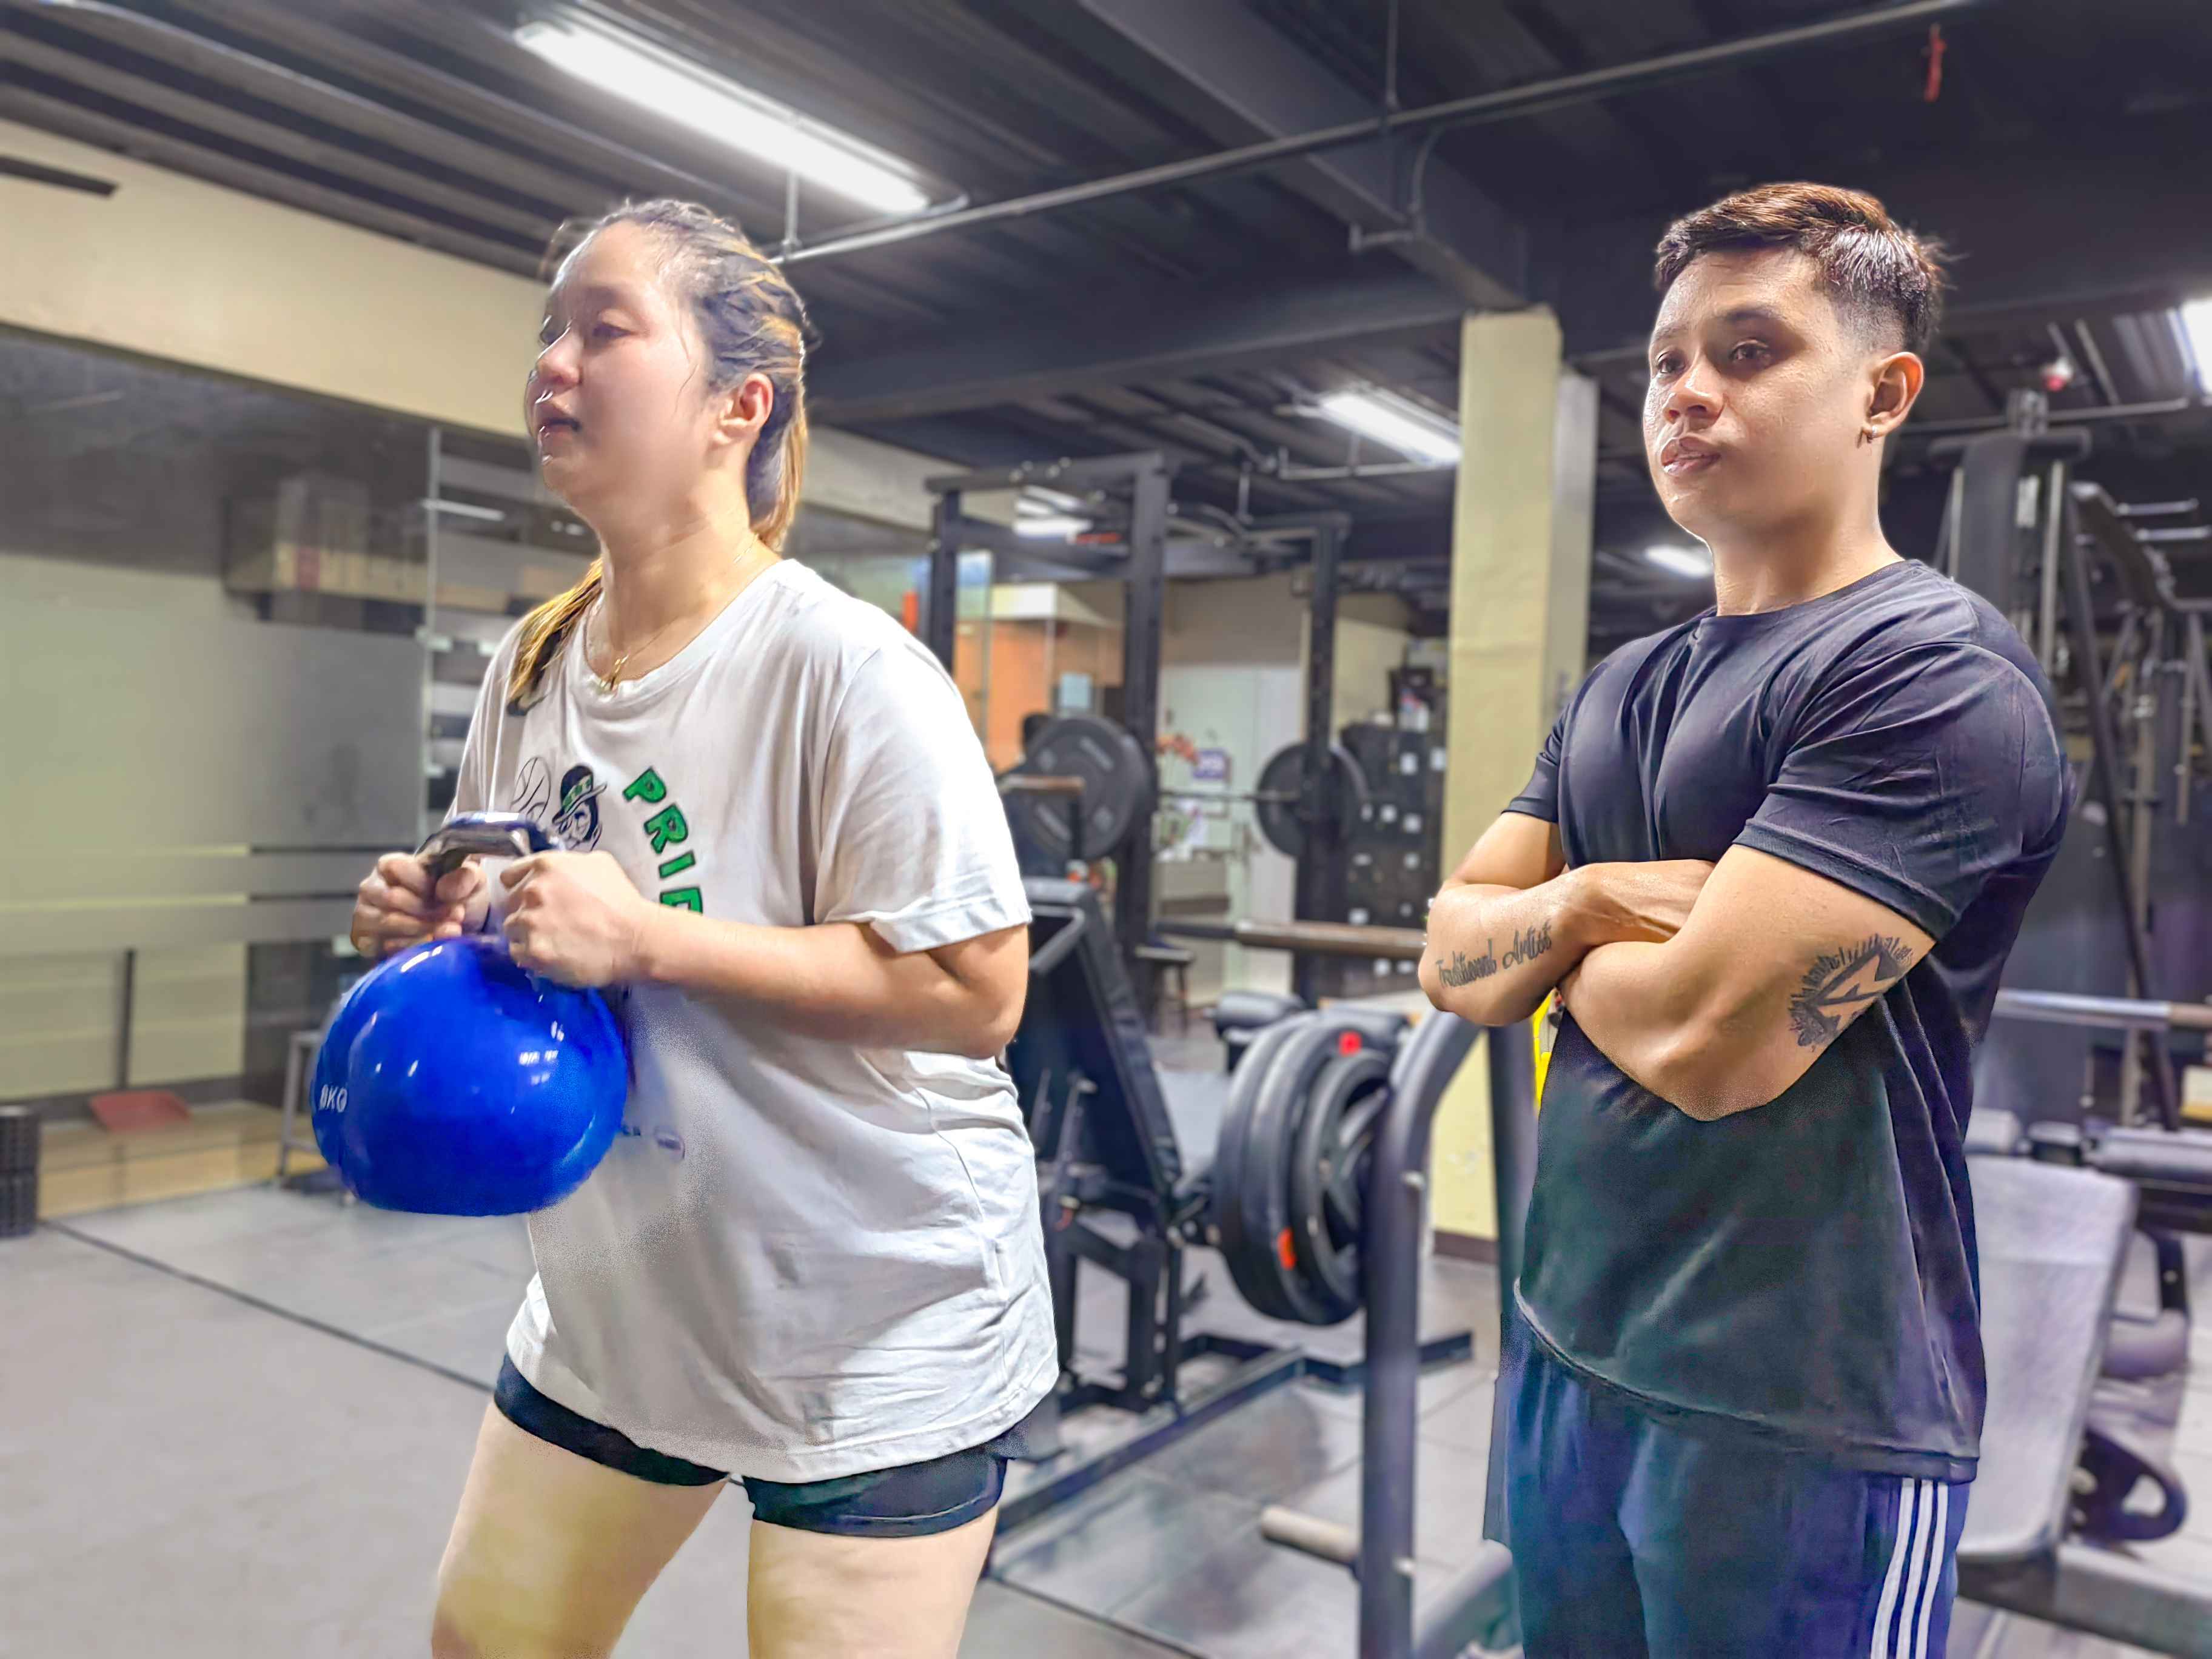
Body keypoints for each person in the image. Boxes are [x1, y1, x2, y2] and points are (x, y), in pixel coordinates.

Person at [347, 199, 1057, 1659]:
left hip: (868, 1327)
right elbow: (524, 894)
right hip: (624, 1303)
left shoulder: (846, 666)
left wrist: (652, 939)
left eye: (602, 328)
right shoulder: (534, 659)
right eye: (548, 332)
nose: (553, 363)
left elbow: (980, 993)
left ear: (741, 406)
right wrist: (439, 918)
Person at [1420, 183, 2071, 1658]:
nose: (1687, 392)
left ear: (1882, 392)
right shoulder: (1622, 687)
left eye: (1750, 350)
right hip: (1570, 1347)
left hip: (1802, 1419)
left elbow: (1715, 1043)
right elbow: (1449, 956)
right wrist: (1594, 903)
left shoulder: (1929, 672)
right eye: (1665, 362)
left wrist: (1549, 949)